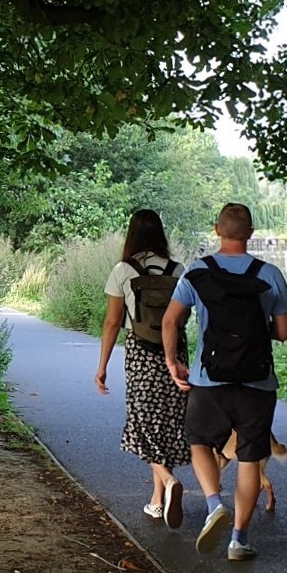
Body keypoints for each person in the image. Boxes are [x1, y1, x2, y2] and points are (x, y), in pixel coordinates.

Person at [161, 203, 287, 561]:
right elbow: (283, 332)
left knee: (199, 442)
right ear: (251, 233)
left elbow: (170, 321)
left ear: (217, 229)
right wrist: (255, 333)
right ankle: (239, 540)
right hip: (258, 382)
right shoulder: (270, 274)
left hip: (209, 380)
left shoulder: (197, 272)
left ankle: (214, 504)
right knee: (250, 458)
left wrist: (173, 362)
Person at [94, 209, 191, 528]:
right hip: (175, 352)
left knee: (141, 423)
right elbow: (184, 316)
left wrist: (102, 366)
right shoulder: (178, 270)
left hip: (141, 354)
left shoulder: (123, 270)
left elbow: (112, 322)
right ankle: (157, 500)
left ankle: (169, 481)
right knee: (166, 423)